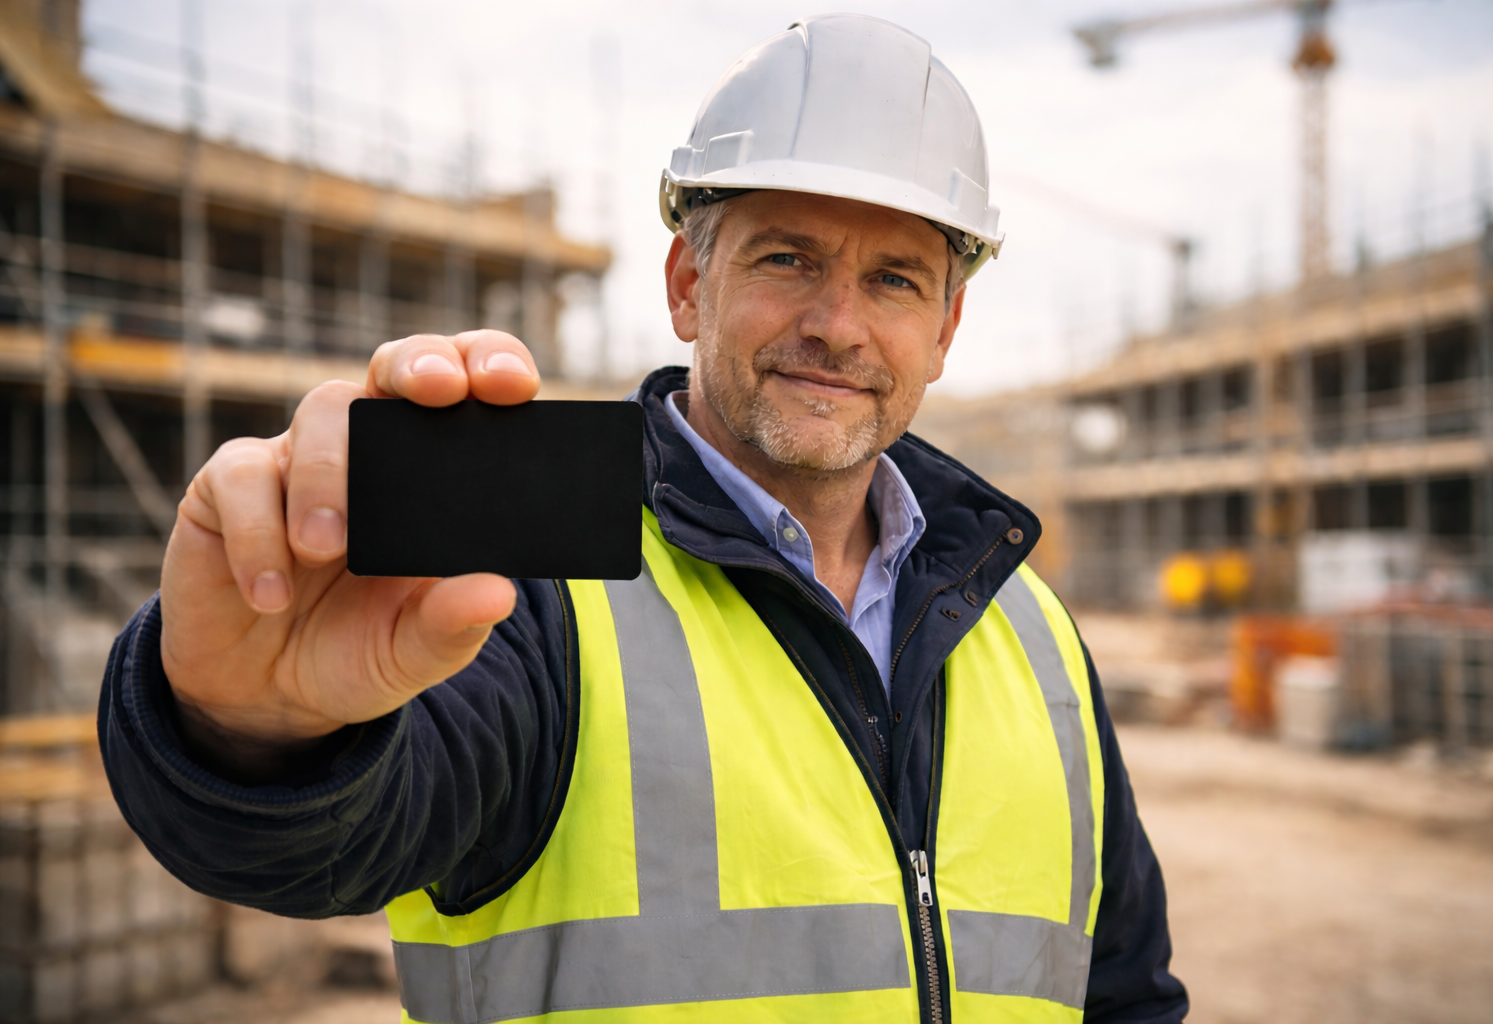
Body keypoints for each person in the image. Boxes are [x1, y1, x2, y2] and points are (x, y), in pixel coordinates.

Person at [100, 15, 1187, 1023]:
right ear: (686, 282)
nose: (838, 325)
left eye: (895, 280)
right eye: (788, 257)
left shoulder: (1029, 626)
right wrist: (251, 729)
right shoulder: (532, 584)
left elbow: (1126, 988)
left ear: (945, 328)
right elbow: (339, 838)